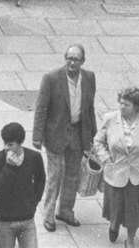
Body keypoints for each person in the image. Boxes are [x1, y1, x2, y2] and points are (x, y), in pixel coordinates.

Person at [93, 86, 139, 247]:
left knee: (135, 211)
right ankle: (114, 224)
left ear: (136, 107)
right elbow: (98, 141)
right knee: (116, 206)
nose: (121, 107)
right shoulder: (110, 118)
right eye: (120, 103)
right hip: (116, 172)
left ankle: (131, 239)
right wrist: (105, 159)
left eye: (126, 104)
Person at [33, 44, 97, 231]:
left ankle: (66, 210)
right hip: (56, 134)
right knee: (55, 176)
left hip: (78, 134)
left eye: (76, 59)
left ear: (82, 61)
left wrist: (92, 135)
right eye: (68, 58)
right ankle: (49, 214)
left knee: (73, 175)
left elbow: (90, 108)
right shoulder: (51, 78)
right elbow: (41, 108)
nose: (71, 62)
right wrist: (37, 135)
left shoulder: (89, 78)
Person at [0, 121, 46, 248]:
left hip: (27, 219)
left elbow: (41, 180)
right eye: (5, 144)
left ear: (20, 143)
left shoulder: (34, 157)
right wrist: (9, 167)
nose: (6, 148)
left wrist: (34, 202)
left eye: (10, 144)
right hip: (5, 221)